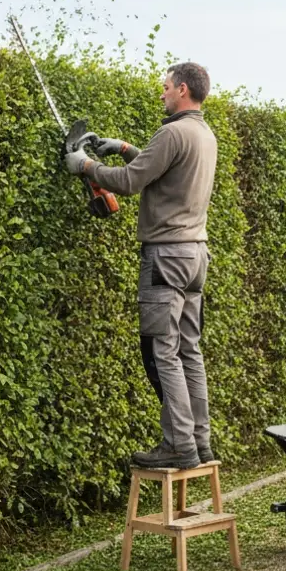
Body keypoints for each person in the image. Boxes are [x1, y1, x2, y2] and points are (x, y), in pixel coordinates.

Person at [64, 62, 218, 470]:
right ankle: (199, 442)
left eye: (166, 86)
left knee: (163, 352)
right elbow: (161, 173)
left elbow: (131, 182)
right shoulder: (203, 134)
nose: (162, 93)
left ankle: (178, 445)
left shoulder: (173, 132)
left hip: (166, 257)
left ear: (182, 89)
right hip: (195, 255)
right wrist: (124, 149)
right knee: (188, 350)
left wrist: (85, 166)